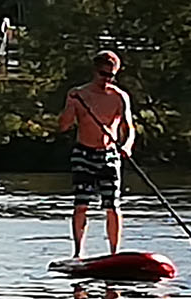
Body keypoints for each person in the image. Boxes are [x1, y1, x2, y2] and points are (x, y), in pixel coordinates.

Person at [56, 50, 137, 259]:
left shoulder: (120, 97)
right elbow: (63, 126)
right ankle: (78, 253)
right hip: (83, 153)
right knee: (81, 204)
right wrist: (71, 106)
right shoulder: (79, 94)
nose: (107, 80)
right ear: (95, 71)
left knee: (112, 206)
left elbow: (129, 128)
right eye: (103, 74)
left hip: (109, 154)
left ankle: (114, 253)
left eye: (111, 76)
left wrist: (127, 145)